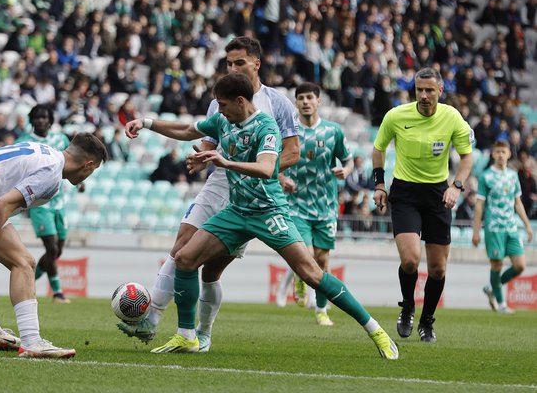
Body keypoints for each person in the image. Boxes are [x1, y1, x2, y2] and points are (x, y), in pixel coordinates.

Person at [124, 73, 398, 358]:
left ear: (241, 101)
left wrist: (224, 161)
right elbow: (187, 129)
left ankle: (374, 329)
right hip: (236, 211)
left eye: (223, 104)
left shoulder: (266, 127)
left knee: (312, 273)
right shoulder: (221, 120)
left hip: (269, 211)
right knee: (184, 258)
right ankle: (187, 336)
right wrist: (146, 123)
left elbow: (267, 168)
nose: (219, 110)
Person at [117, 36, 300, 351]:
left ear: (257, 63)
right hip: (218, 182)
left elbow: (293, 152)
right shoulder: (220, 100)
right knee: (182, 246)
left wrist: (259, 167)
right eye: (228, 63)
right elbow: (203, 138)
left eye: (239, 62)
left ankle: (203, 333)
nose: (232, 68)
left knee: (212, 270)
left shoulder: (278, 103)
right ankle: (152, 321)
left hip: (251, 194)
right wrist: (199, 158)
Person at [0, 133, 107, 358]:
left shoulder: (46, 152)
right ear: (88, 164)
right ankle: (32, 341)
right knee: (24, 262)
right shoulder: (51, 173)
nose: (88, 176)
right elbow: (2, 205)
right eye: (92, 171)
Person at [372, 67, 474, 343]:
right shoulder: (396, 116)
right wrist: (379, 184)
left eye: (430, 90)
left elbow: (467, 158)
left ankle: (427, 321)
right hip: (404, 192)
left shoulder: (452, 117)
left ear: (441, 91)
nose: (425, 95)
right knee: (410, 260)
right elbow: (378, 148)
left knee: (438, 268)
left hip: (438, 195)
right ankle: (407, 306)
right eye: (420, 90)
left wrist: (457, 186)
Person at [275, 82, 354, 327]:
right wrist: (281, 178)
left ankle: (321, 309)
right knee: (306, 254)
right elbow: (270, 162)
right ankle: (300, 276)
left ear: (319, 101)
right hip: (296, 204)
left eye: (310, 97)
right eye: (301, 98)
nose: (305, 102)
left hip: (327, 206)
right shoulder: (288, 132)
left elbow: (349, 160)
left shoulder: (333, 131)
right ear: (296, 103)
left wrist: (345, 170)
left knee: (322, 261)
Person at [16, 104, 72, 304]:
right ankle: (57, 292)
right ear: (32, 120)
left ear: (50, 120)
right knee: (52, 247)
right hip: (39, 201)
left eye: (44, 117)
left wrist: (79, 182)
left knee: (58, 249)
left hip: (60, 200)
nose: (41, 120)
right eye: (37, 117)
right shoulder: (23, 142)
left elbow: (71, 164)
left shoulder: (61, 139)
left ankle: (32, 279)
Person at [472, 140, 533, 314]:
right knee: (497, 264)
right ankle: (501, 304)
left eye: (503, 152)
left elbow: (517, 202)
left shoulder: (513, 176)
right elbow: (479, 205)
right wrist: (476, 231)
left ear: (508, 154)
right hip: (494, 227)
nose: (500, 155)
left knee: (520, 265)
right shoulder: (486, 176)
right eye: (497, 151)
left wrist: (527, 225)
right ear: (493, 154)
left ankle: (492, 288)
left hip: (511, 227)